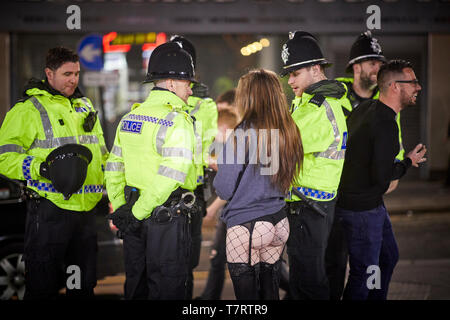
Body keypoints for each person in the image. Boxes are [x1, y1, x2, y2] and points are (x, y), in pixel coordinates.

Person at [0, 47, 108, 299]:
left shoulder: (84, 105)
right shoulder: (28, 109)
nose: (74, 79)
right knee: (43, 287)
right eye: (67, 73)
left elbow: (102, 154)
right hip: (50, 212)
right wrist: (41, 168)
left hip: (85, 213)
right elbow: (4, 158)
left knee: (83, 288)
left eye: (77, 73)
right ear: (49, 73)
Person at [104, 42, 198, 300]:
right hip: (165, 220)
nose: (191, 88)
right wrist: (136, 212)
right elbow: (171, 176)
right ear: (170, 83)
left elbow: (113, 169)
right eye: (187, 81)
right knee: (167, 289)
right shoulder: (177, 120)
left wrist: (123, 209)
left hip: (132, 219)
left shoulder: (131, 117)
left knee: (136, 286)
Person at [336, 59, 427, 300]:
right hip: (363, 211)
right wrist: (407, 163)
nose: (418, 87)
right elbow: (383, 177)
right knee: (364, 273)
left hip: (366, 205)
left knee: (387, 257)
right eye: (413, 82)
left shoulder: (367, 109)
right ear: (395, 86)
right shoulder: (384, 123)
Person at [214, 68, 303, 300]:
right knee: (270, 293)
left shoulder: (241, 133)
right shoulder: (289, 130)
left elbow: (223, 189)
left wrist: (222, 166)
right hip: (278, 222)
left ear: (249, 97)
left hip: (246, 225)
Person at [280, 31, 348, 300]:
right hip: (310, 205)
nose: (290, 80)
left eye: (295, 73)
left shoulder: (318, 109)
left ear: (315, 69)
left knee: (309, 283)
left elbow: (277, 147)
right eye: (289, 74)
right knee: (302, 280)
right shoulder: (309, 104)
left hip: (308, 206)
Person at [169, 35, 218, 299]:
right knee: (163, 263)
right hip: (159, 192)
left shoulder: (205, 105)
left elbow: (207, 148)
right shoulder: (153, 102)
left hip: (191, 191)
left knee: (187, 261)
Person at [196, 90, 238, 300]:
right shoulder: (223, 141)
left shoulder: (239, 139)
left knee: (250, 264)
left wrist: (211, 209)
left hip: (239, 211)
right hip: (229, 211)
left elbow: (231, 184)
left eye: (221, 110)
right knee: (218, 256)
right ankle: (208, 298)